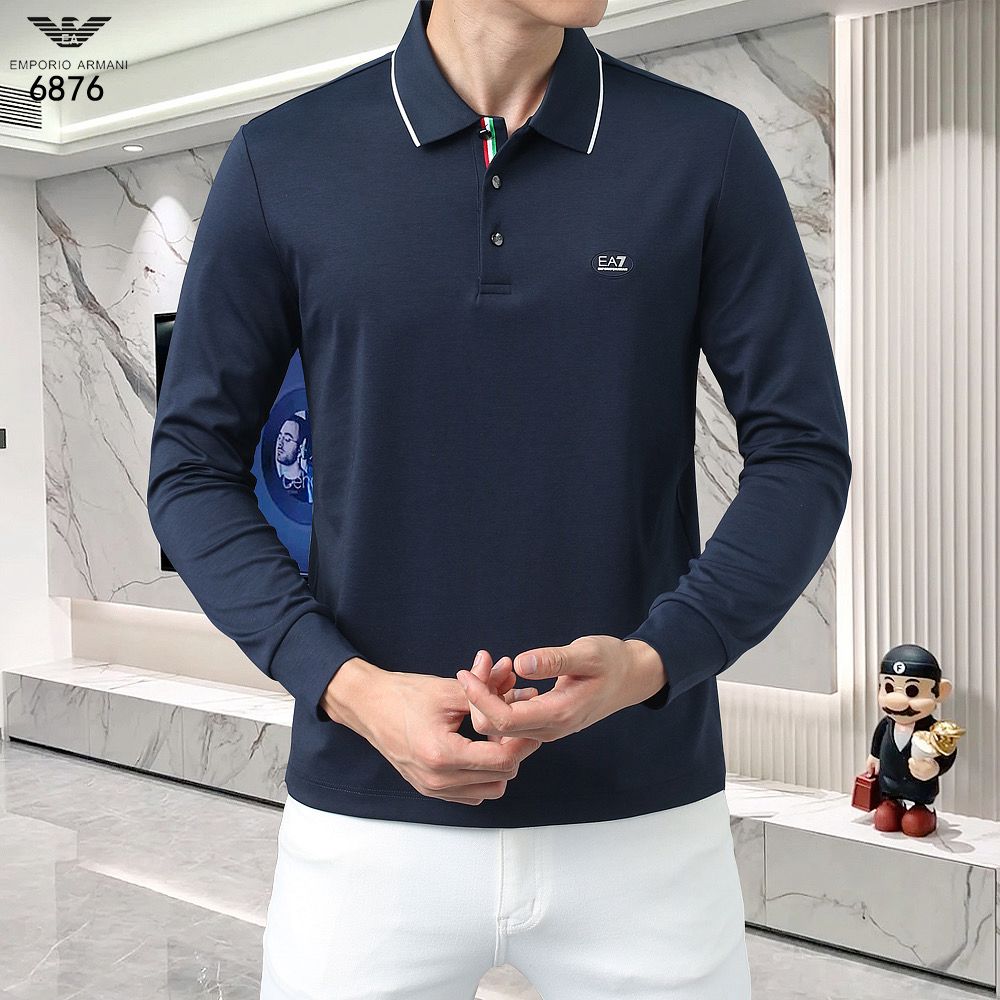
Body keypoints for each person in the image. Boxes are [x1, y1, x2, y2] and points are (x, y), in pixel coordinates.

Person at [146, 0, 852, 996]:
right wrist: (351, 690)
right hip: (366, 835)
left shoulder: (703, 151)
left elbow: (803, 453)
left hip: (645, 830)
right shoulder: (284, 158)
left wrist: (656, 660)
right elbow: (190, 469)